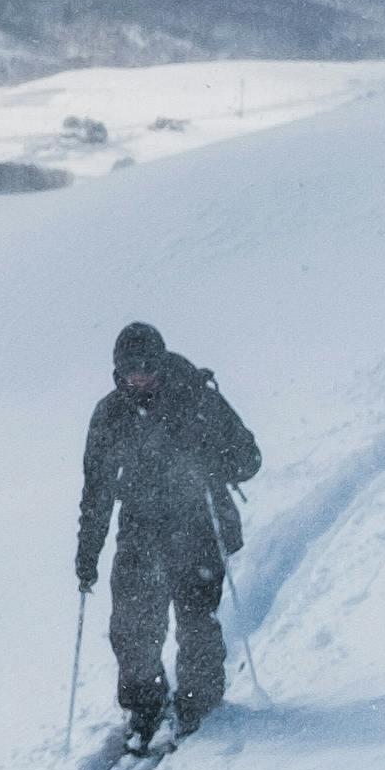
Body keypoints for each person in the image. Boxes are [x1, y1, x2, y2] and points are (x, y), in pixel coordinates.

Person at [74, 320, 262, 747]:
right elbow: (97, 490)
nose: (138, 375)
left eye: (146, 365)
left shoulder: (197, 396)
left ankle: (199, 700)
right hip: (139, 527)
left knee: (195, 620)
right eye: (128, 368)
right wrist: (88, 552)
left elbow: (249, 457)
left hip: (196, 522)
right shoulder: (110, 415)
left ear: (160, 362)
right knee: (131, 625)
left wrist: (216, 461)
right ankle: (144, 705)